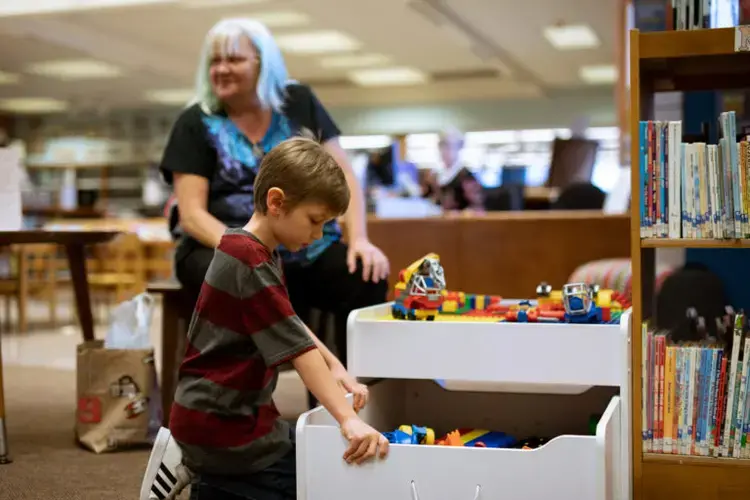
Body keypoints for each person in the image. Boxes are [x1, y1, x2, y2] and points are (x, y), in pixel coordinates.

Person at [141, 138, 389, 500]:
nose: (318, 235)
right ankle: (203, 469)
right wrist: (348, 419)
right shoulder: (249, 261)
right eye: (315, 221)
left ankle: (203, 468)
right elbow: (298, 349)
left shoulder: (252, 251)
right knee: (312, 479)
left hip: (237, 413)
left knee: (304, 448)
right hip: (223, 424)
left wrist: (334, 364)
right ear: (276, 202)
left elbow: (286, 319)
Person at [160, 17, 389, 371]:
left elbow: (343, 174)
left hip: (302, 245)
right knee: (234, 280)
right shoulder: (195, 121)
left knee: (364, 274)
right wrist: (250, 252)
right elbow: (192, 214)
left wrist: (358, 238)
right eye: (214, 61)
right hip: (222, 246)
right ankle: (236, 407)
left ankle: (354, 393)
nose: (221, 69)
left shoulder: (298, 102)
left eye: (233, 59)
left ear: (263, 63)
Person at [422, 127, 485, 212]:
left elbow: (477, 209)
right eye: (442, 145)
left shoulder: (467, 177)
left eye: (449, 145)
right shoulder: (434, 177)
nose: (445, 150)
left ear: (459, 147)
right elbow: (424, 201)